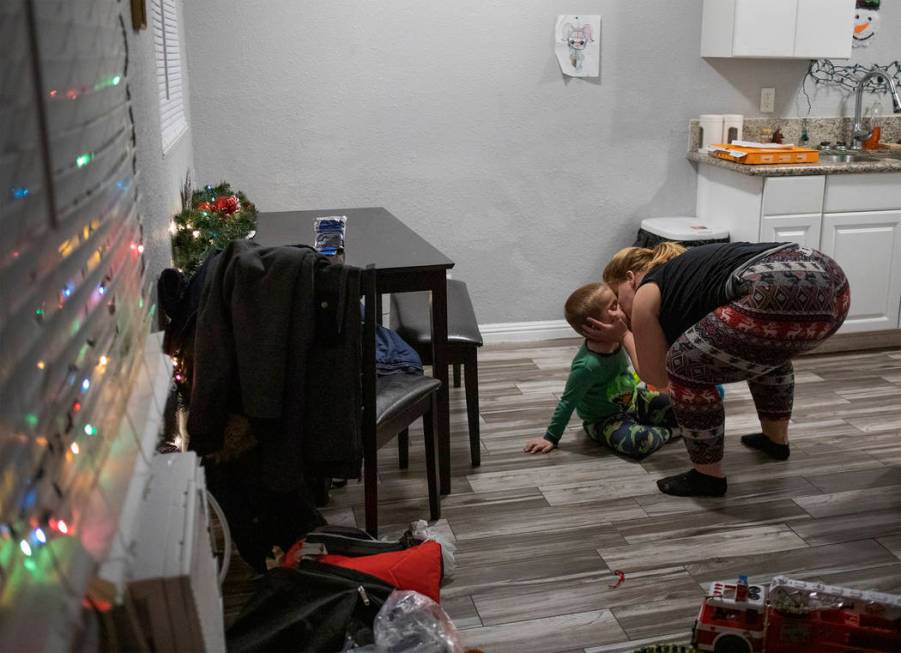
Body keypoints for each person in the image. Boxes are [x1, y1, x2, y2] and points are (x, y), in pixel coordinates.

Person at [589, 241, 849, 497]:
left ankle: (707, 476)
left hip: (775, 282)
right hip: (834, 282)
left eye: (616, 299)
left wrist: (623, 334)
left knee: (683, 364)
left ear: (631, 279)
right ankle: (775, 442)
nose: (620, 311)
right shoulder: (686, 275)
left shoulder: (648, 288)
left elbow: (655, 376)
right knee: (763, 348)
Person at [523, 282, 677, 459]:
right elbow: (567, 402)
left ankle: (661, 426)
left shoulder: (619, 338)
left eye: (617, 303)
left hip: (634, 401)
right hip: (605, 421)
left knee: (678, 404)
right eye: (613, 307)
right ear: (595, 326)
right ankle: (671, 431)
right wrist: (551, 437)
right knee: (640, 441)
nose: (620, 309)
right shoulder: (587, 366)